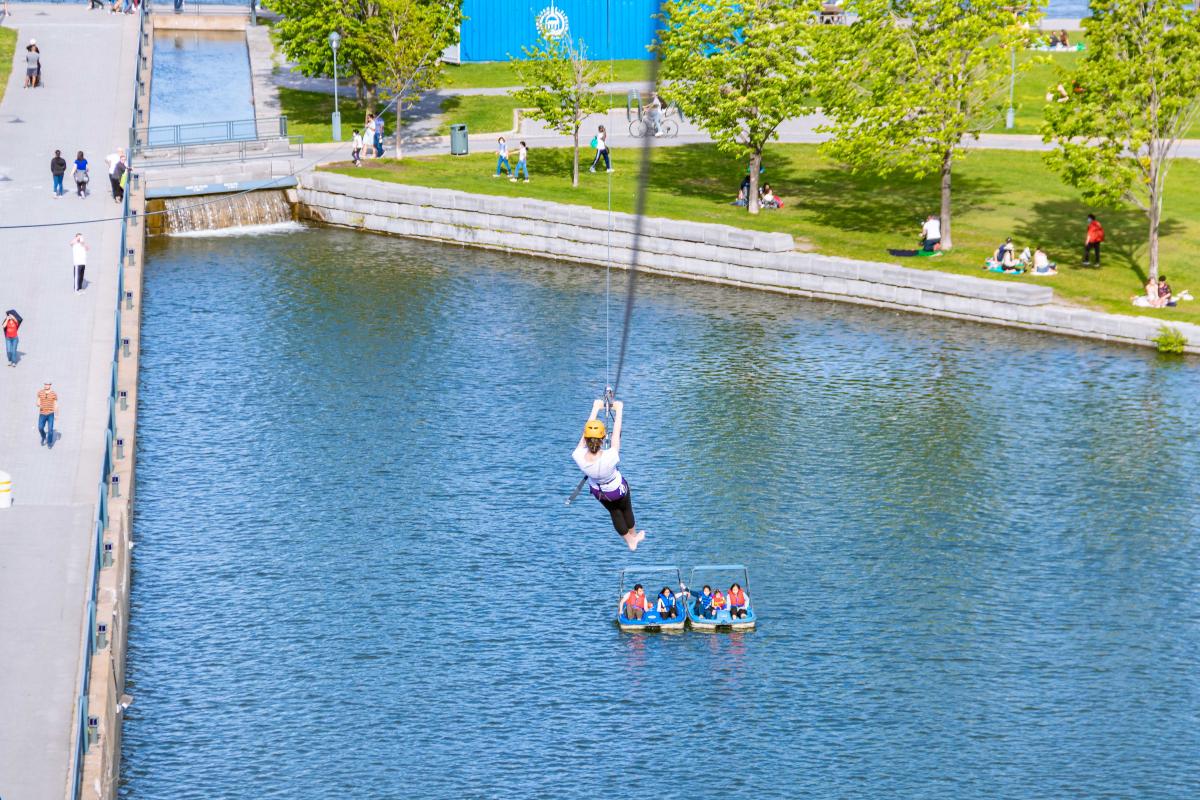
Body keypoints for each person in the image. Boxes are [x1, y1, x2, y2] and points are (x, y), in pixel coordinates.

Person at [572, 397, 645, 550]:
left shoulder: (578, 456)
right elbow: (616, 434)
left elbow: (584, 437)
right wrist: (619, 409)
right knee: (626, 509)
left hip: (599, 492)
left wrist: (595, 408)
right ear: (603, 438)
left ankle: (629, 540)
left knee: (614, 511)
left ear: (586, 439)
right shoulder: (610, 456)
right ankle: (633, 535)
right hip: (617, 489)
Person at [37, 382, 57, 447]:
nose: (46, 386)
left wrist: (56, 414)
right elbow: (38, 401)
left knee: (50, 429)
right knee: (40, 428)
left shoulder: (53, 393)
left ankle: (49, 442)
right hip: (42, 413)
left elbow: (56, 404)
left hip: (50, 413)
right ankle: (43, 436)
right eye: (45, 384)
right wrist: (38, 403)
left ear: (50, 385)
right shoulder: (40, 392)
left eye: (47, 385)